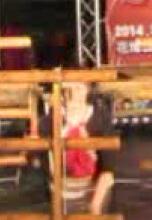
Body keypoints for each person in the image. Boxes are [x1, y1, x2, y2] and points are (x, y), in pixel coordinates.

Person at [41, 80, 116, 214]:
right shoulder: (49, 121)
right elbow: (48, 167)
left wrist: (95, 206)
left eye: (78, 89)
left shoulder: (100, 118)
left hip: (95, 188)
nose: (73, 95)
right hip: (63, 191)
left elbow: (108, 170)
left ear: (87, 90)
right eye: (69, 90)